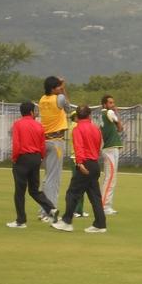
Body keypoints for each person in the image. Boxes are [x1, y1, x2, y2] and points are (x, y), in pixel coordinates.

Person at [51, 105, 107, 233]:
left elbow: (79, 147)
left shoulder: (77, 129)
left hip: (85, 163)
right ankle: (100, 223)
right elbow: (98, 146)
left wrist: (80, 163)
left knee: (72, 193)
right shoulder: (96, 129)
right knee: (94, 196)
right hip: (94, 163)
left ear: (77, 116)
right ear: (89, 115)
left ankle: (66, 221)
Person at [7, 101, 60, 228]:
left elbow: (17, 144)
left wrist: (14, 158)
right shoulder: (39, 126)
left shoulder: (18, 124)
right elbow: (42, 144)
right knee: (34, 190)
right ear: (31, 112)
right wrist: (40, 158)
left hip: (23, 158)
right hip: (36, 158)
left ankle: (21, 220)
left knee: (20, 191)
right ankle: (51, 210)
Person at [38, 76, 70, 222]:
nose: (59, 88)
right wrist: (64, 89)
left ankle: (43, 210)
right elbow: (68, 108)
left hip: (45, 140)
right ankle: (48, 212)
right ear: (53, 88)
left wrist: (60, 88)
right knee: (54, 179)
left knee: (47, 178)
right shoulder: (59, 98)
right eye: (57, 86)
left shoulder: (42, 100)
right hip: (56, 140)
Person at [99, 95, 124, 215]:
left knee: (108, 177)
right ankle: (105, 206)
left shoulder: (101, 115)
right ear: (104, 104)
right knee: (111, 178)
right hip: (110, 148)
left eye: (113, 103)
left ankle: (104, 203)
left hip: (108, 148)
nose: (113, 105)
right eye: (110, 103)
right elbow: (120, 128)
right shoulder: (109, 113)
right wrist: (117, 112)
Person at [66, 110, 89, 219]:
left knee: (81, 185)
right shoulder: (75, 127)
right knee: (79, 185)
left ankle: (79, 209)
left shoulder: (73, 126)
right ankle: (77, 210)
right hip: (76, 158)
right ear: (76, 118)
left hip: (76, 157)